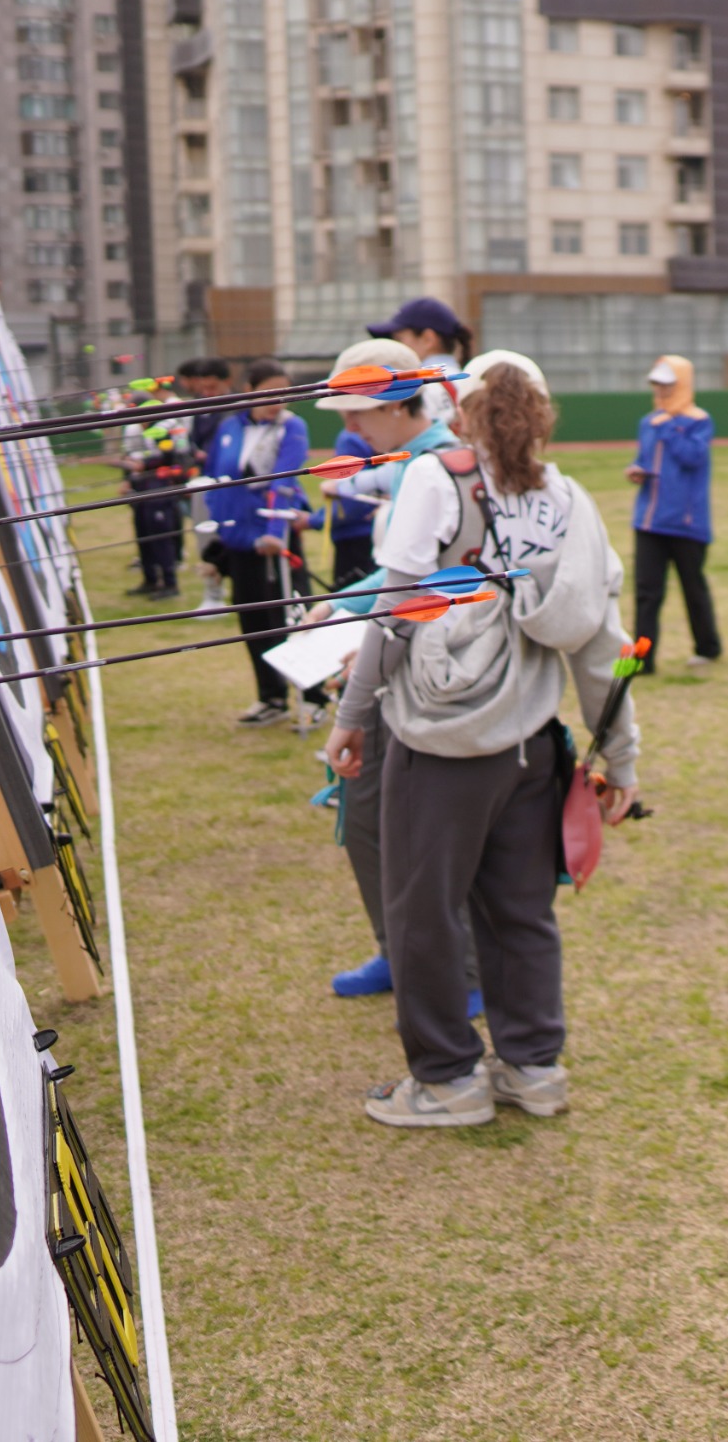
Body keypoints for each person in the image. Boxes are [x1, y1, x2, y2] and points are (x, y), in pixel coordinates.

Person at [322, 356, 639, 1128]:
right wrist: (621, 755)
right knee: (521, 911)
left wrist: (351, 716)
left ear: (461, 412)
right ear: (542, 413)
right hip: (533, 743)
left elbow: (395, 612)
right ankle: (534, 1069)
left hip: (440, 747)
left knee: (421, 912)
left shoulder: (436, 478)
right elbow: (603, 644)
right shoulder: (568, 498)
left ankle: (446, 1080)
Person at [306, 338, 457, 1000]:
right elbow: (398, 574)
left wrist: (363, 624)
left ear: (396, 404)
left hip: (428, 676)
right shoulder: (411, 462)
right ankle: (396, 951)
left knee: (422, 833)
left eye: (357, 410)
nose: (348, 425)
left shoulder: (443, 465)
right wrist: (343, 603)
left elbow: (433, 584)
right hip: (393, 656)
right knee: (368, 817)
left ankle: (454, 970)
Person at [202, 357, 320, 726]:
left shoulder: (292, 427)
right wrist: (217, 537)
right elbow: (215, 478)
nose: (277, 401)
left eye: (284, 392)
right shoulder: (229, 426)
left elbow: (284, 480)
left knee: (291, 617)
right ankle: (271, 697)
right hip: (239, 540)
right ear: (249, 390)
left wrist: (275, 531)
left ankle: (314, 697)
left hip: (274, 540)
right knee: (252, 621)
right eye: (269, 392)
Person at [625, 353, 720, 673]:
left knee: (693, 589)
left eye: (667, 384)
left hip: (686, 523)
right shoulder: (648, 422)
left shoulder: (698, 421)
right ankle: (642, 660)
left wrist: (669, 427)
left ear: (682, 384)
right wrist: (637, 470)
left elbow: (693, 457)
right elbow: (646, 458)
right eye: (657, 384)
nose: (661, 390)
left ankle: (708, 648)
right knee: (646, 594)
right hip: (649, 522)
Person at [173, 355, 234, 610]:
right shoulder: (199, 408)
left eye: (213, 387)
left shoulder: (236, 410)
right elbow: (190, 444)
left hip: (230, 486)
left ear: (226, 382)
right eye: (204, 387)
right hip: (204, 484)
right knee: (205, 537)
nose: (208, 392)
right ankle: (213, 593)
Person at [118, 394, 190, 598]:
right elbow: (130, 457)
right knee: (144, 536)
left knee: (161, 538)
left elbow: (170, 458)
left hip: (159, 492)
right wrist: (128, 479)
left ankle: (170, 584)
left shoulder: (162, 430)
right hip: (141, 491)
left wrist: (145, 465)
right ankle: (150, 579)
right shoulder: (138, 430)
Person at [365, 295, 472, 423]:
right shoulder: (470, 379)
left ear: (428, 339)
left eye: (399, 339)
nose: (394, 346)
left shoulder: (418, 388)